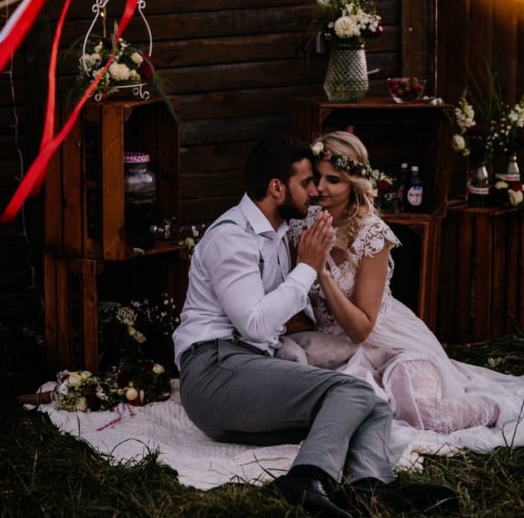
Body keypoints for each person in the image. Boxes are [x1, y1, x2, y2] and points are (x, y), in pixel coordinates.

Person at [173, 135, 456, 517]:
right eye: (306, 182)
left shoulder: (276, 233)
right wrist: (309, 266)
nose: (315, 191)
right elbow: (255, 325)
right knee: (352, 392)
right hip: (215, 372)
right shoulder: (233, 238)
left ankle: (370, 487)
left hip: (250, 373)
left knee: (372, 403)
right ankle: (304, 479)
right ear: (276, 188)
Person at [287, 130, 524, 442]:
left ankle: (498, 407)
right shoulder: (299, 223)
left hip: (390, 344)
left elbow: (361, 329)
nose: (320, 188)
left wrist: (319, 269)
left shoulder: (372, 234)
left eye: (333, 180)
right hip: (334, 345)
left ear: (354, 185)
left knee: (419, 415)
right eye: (316, 178)